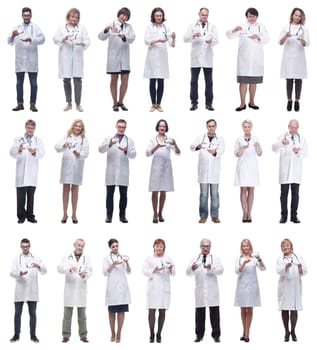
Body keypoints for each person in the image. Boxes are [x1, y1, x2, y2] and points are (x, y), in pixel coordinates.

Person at [226, 8, 269, 111]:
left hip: (256, 59)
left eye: (254, 16)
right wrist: (234, 30)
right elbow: (229, 36)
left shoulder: (261, 27)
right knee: (243, 82)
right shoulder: (242, 26)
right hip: (244, 59)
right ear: (246, 17)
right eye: (250, 16)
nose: (252, 18)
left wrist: (258, 37)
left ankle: (252, 102)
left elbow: (267, 38)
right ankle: (242, 104)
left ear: (257, 17)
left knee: (253, 82)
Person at [98, 119, 136, 223]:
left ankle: (122, 215)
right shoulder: (109, 138)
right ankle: (109, 215)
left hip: (123, 171)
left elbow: (134, 155)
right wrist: (109, 143)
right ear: (116, 126)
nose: (121, 129)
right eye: (119, 126)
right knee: (109, 194)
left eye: (123, 127)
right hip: (111, 171)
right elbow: (100, 149)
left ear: (125, 128)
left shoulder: (129, 140)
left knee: (123, 195)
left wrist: (126, 150)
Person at [8, 7, 45, 112]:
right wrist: (12, 35)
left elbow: (42, 39)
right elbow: (9, 41)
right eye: (25, 15)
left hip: (32, 60)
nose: (26, 17)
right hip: (20, 60)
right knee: (19, 83)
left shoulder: (36, 27)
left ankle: (33, 104)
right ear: (22, 16)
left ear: (31, 16)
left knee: (33, 84)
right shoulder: (17, 28)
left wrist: (31, 39)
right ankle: (20, 104)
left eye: (28, 15)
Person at [186, 238, 223, 343]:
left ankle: (216, 335)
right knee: (199, 314)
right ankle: (199, 335)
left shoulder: (215, 257)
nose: (206, 248)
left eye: (208, 246)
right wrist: (192, 268)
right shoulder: (195, 258)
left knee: (215, 314)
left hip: (212, 291)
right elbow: (188, 273)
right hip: (200, 290)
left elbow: (221, 270)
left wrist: (211, 267)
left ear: (210, 247)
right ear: (200, 246)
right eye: (204, 246)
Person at [10, 238, 47, 343]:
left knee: (33, 314)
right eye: (23, 246)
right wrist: (19, 274)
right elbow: (12, 273)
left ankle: (33, 335)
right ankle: (16, 335)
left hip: (32, 290)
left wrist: (38, 265)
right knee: (17, 314)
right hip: (20, 290)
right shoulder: (16, 258)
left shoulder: (36, 257)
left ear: (29, 246)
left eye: (27, 246)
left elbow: (45, 271)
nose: (25, 248)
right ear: (21, 247)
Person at [98, 7, 135, 111]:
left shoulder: (129, 27)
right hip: (113, 57)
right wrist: (106, 29)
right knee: (114, 80)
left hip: (125, 58)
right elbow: (101, 37)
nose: (124, 17)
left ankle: (121, 102)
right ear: (119, 14)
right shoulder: (112, 24)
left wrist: (124, 37)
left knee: (125, 81)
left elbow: (132, 38)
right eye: (123, 15)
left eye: (126, 16)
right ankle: (114, 103)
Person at [53, 8, 90, 112]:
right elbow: (55, 39)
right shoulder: (62, 28)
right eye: (73, 16)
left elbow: (87, 40)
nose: (75, 19)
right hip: (66, 57)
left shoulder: (82, 28)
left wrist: (84, 44)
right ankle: (69, 103)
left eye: (77, 17)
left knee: (78, 81)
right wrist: (64, 38)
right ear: (68, 17)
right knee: (66, 80)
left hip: (77, 57)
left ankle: (78, 104)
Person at [9, 119, 45, 224]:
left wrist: (35, 152)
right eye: (28, 127)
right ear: (25, 127)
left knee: (31, 197)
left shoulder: (38, 140)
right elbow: (11, 153)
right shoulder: (18, 139)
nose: (30, 129)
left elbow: (42, 153)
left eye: (32, 128)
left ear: (34, 128)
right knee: (20, 197)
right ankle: (21, 216)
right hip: (21, 173)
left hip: (32, 173)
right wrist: (19, 149)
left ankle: (30, 216)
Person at [272, 119, 308, 223]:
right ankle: (283, 216)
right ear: (288, 126)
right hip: (285, 171)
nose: (293, 129)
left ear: (298, 128)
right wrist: (281, 143)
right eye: (292, 127)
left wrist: (298, 152)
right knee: (283, 195)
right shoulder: (282, 136)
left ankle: (294, 216)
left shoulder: (302, 139)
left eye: (295, 128)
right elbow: (274, 149)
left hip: (296, 172)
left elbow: (306, 153)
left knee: (295, 195)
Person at [57, 239, 93, 343]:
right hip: (70, 289)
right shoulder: (67, 256)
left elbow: (90, 271)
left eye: (82, 246)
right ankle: (66, 335)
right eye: (78, 245)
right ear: (74, 245)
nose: (80, 247)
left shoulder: (87, 258)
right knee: (67, 315)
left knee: (82, 316)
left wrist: (85, 275)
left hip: (81, 289)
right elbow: (59, 268)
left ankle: (83, 335)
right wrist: (69, 269)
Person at [184, 8, 219, 111]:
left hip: (207, 58)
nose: (204, 17)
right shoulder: (192, 25)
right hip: (195, 58)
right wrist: (193, 35)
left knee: (209, 82)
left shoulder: (212, 26)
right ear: (199, 14)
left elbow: (217, 40)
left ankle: (209, 103)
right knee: (194, 81)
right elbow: (185, 39)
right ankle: (194, 103)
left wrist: (211, 41)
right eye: (203, 14)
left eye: (206, 15)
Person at [55, 119, 89, 224]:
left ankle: (74, 214)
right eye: (76, 126)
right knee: (65, 189)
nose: (78, 128)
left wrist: (79, 154)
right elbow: (57, 148)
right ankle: (65, 214)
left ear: (82, 129)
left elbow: (86, 153)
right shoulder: (66, 137)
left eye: (80, 126)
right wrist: (64, 145)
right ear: (73, 126)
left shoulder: (84, 139)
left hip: (77, 167)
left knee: (75, 190)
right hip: (66, 166)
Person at [146, 119, 181, 223]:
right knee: (155, 191)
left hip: (166, 168)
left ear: (166, 128)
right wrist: (157, 146)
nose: (162, 128)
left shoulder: (169, 140)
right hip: (156, 167)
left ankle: (160, 212)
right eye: (160, 126)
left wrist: (175, 144)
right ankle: (154, 213)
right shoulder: (153, 140)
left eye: (164, 126)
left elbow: (178, 153)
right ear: (157, 127)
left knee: (163, 191)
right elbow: (147, 153)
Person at [190, 119, 224, 223]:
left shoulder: (220, 139)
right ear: (206, 127)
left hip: (214, 172)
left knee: (215, 194)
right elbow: (191, 147)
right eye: (209, 126)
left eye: (213, 126)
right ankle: (203, 216)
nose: (211, 127)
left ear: (216, 127)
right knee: (203, 195)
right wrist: (198, 146)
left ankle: (215, 216)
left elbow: (221, 150)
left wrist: (215, 152)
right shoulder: (201, 137)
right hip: (203, 172)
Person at [142, 239, 175, 343]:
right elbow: (144, 271)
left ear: (164, 247)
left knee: (162, 311)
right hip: (153, 288)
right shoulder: (149, 258)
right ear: (154, 247)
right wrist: (154, 270)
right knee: (151, 311)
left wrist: (171, 267)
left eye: (161, 246)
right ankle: (151, 333)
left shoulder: (168, 258)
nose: (159, 248)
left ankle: (159, 333)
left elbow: (173, 273)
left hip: (164, 289)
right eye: (157, 246)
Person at [144, 7, 176, 112]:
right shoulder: (149, 27)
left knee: (161, 81)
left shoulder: (166, 27)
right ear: (153, 16)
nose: (159, 17)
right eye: (157, 15)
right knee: (152, 80)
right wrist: (158, 40)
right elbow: (146, 41)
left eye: (160, 16)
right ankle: (153, 104)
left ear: (163, 16)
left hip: (162, 57)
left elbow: (171, 45)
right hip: (152, 57)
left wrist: (174, 38)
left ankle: (159, 104)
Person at [235, 239, 265, 342]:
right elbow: (237, 271)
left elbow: (263, 268)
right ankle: (244, 332)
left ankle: (247, 334)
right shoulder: (239, 258)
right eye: (243, 246)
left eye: (247, 246)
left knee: (250, 309)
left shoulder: (254, 258)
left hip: (252, 287)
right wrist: (243, 263)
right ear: (241, 248)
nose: (245, 248)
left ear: (250, 247)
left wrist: (260, 259)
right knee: (243, 309)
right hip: (242, 287)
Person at [276, 239, 307, 342]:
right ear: (282, 248)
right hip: (284, 287)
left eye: (287, 245)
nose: (285, 247)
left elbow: (304, 271)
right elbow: (278, 271)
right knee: (284, 309)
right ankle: (286, 331)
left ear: (291, 246)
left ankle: (293, 331)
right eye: (283, 246)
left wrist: (299, 268)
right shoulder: (280, 259)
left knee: (294, 310)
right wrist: (285, 267)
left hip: (295, 287)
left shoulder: (298, 257)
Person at [279, 8, 309, 112]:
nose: (297, 17)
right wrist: (285, 36)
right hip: (288, 56)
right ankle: (289, 100)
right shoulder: (286, 27)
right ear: (292, 15)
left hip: (299, 57)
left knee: (298, 79)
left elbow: (307, 44)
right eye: (295, 15)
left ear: (302, 17)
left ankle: (297, 101)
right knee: (289, 79)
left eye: (299, 16)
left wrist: (302, 40)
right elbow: (280, 42)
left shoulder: (304, 28)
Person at [103, 239, 131, 343]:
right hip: (112, 288)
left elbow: (129, 271)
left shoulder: (122, 257)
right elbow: (105, 272)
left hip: (122, 288)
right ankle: (112, 333)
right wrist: (113, 264)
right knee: (111, 312)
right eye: (113, 246)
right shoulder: (106, 258)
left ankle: (119, 333)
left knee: (121, 311)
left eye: (117, 246)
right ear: (110, 247)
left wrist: (127, 262)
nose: (115, 248)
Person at [234, 119, 262, 222]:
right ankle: (244, 212)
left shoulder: (255, 138)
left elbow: (259, 153)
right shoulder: (239, 139)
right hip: (242, 167)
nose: (247, 128)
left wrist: (258, 146)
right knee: (243, 190)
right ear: (242, 128)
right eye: (245, 127)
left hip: (252, 167)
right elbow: (236, 154)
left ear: (251, 127)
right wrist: (242, 149)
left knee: (251, 190)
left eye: (248, 127)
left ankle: (249, 213)